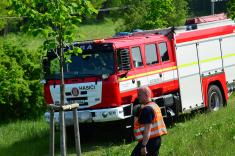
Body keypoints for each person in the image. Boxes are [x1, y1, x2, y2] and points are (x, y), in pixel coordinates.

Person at [131, 86, 167, 156]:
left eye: (139, 95)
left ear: (146, 94)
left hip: (149, 141)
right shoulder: (154, 105)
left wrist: (143, 146)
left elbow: (147, 129)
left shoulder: (147, 109)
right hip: (156, 140)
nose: (138, 97)